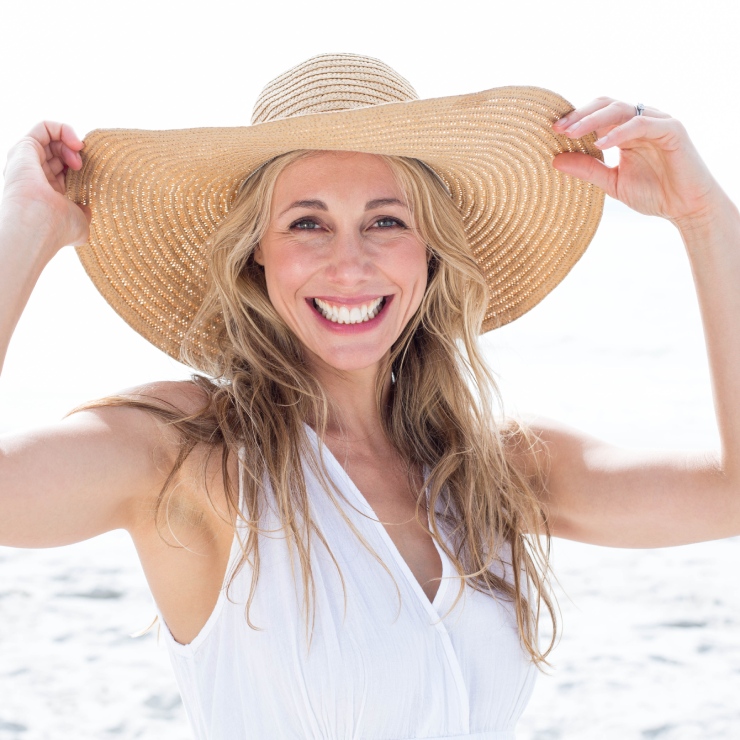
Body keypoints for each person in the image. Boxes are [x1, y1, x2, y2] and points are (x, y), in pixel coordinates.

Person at [1, 53, 738, 739]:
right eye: (306, 223)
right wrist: (24, 229)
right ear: (258, 251)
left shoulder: (498, 470)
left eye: (386, 221)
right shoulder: (188, 453)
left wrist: (704, 219)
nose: (348, 263)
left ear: (430, 249)